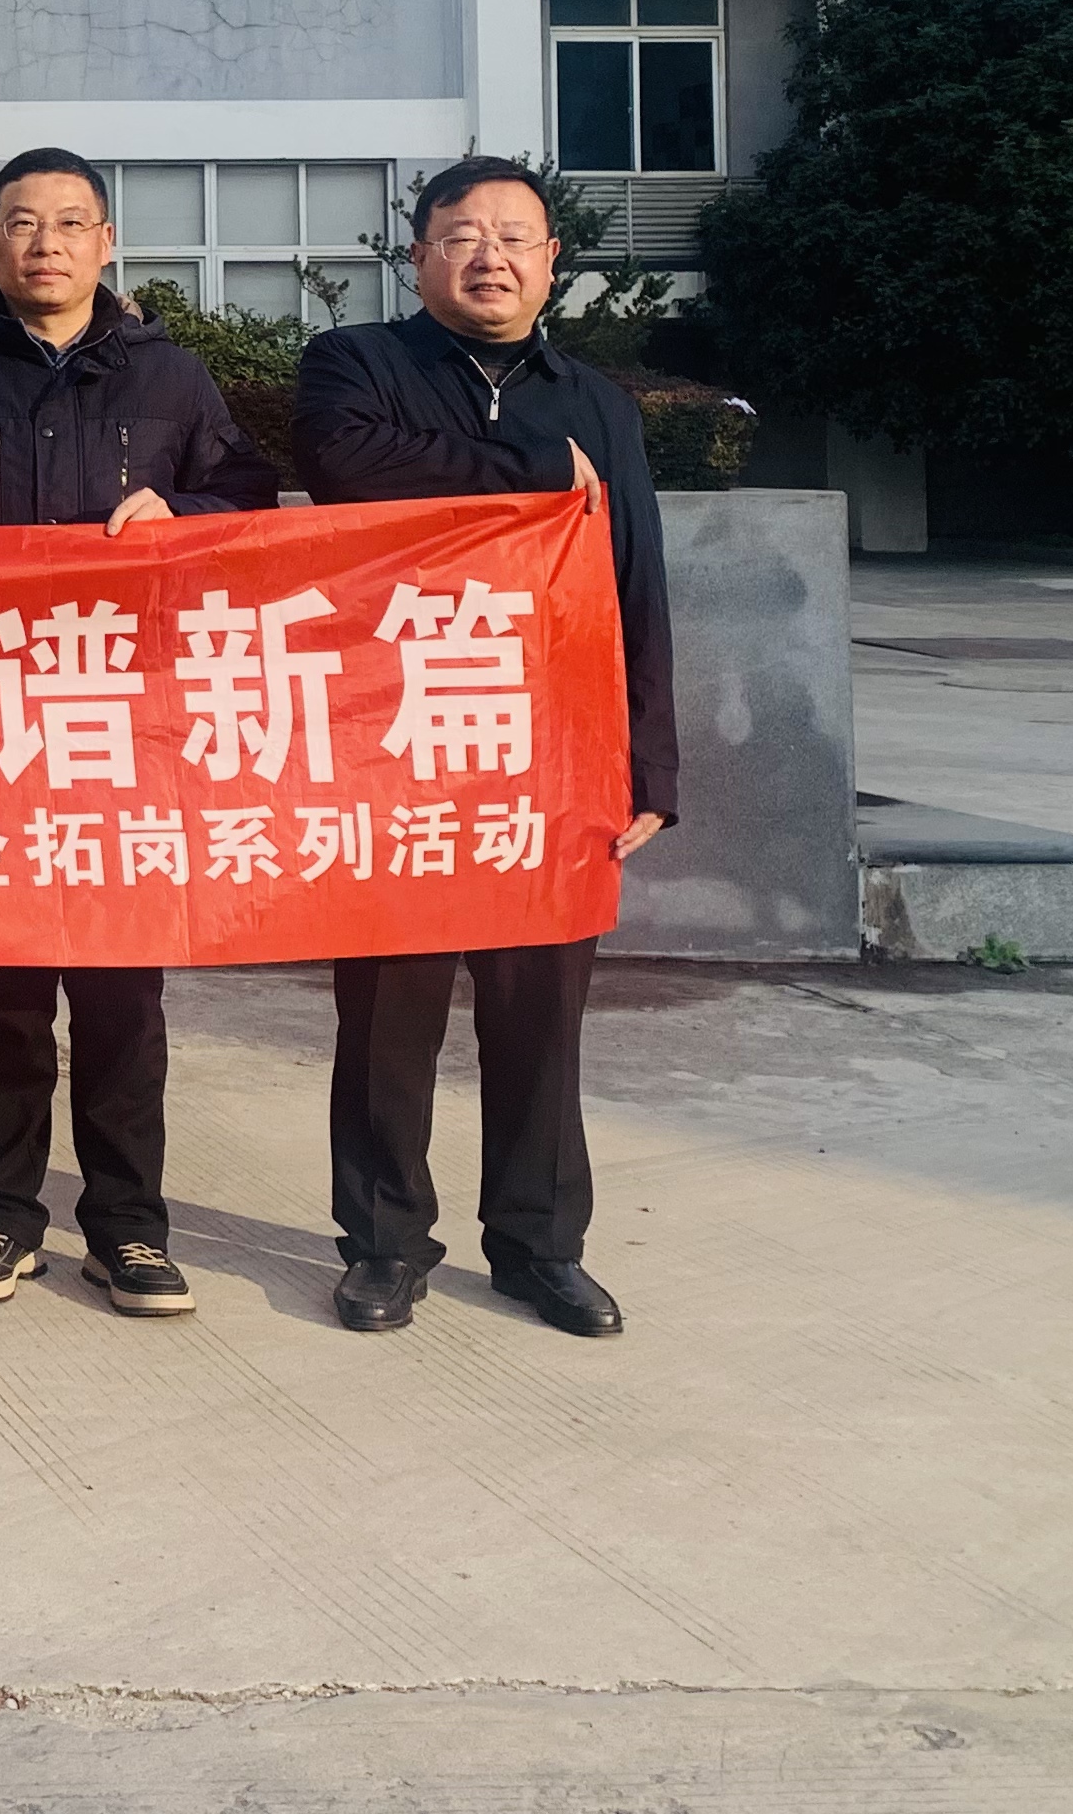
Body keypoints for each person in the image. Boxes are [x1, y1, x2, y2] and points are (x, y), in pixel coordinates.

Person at [0, 147, 278, 1321]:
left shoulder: (171, 378)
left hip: (126, 730)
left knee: (122, 998)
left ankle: (129, 1228)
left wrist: (183, 509)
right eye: (24, 223)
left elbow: (250, 501)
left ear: (106, 244)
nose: (47, 244)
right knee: (4, 990)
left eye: (71, 223)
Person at [296, 155, 677, 1341]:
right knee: (386, 1022)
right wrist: (533, 473)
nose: (490, 256)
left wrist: (650, 763)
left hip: (550, 757)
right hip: (395, 747)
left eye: (516, 237)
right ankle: (383, 1245)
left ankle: (539, 1246)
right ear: (418, 256)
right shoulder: (357, 366)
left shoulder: (598, 403)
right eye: (463, 235)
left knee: (540, 1019)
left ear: (553, 262)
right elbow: (349, 469)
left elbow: (634, 578)